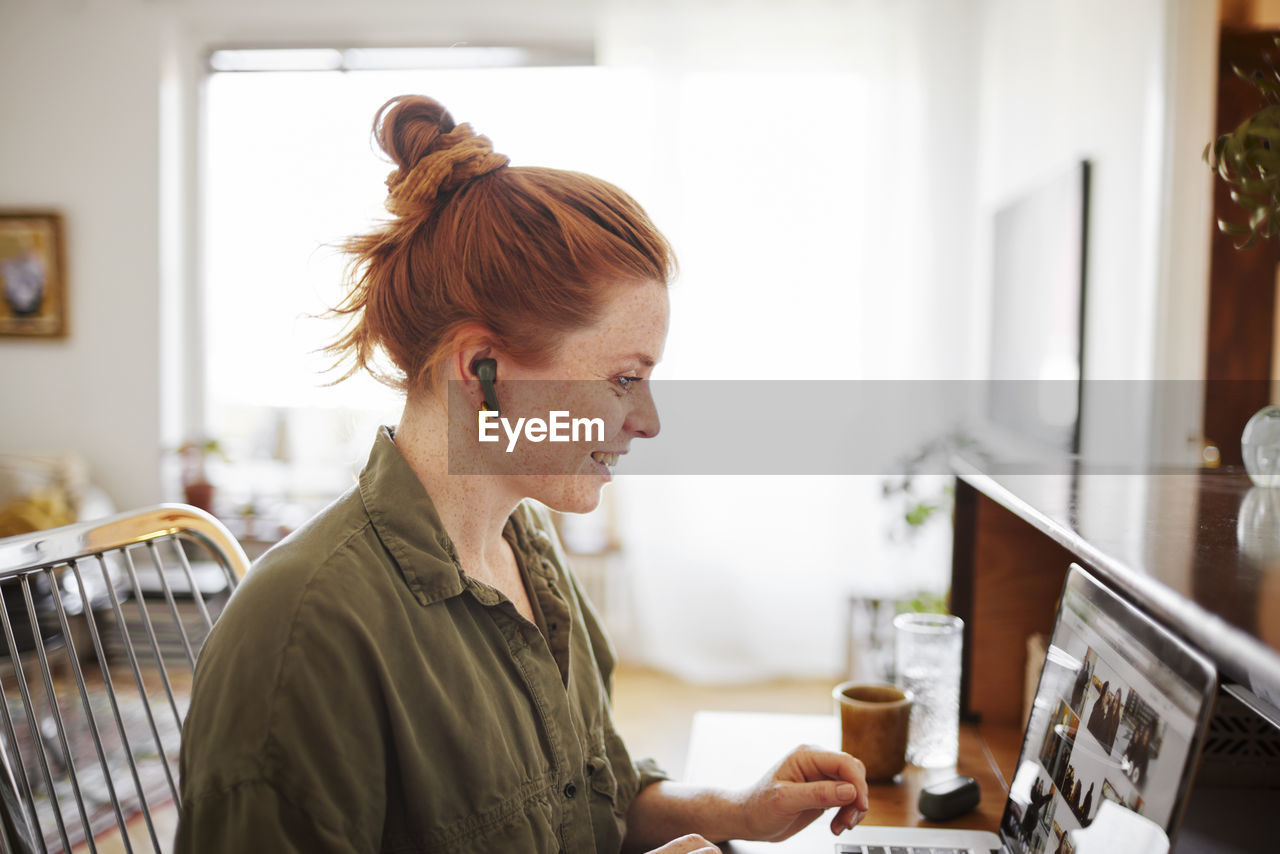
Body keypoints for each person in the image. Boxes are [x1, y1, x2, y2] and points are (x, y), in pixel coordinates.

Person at [175, 94, 870, 853]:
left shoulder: (529, 547)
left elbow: (594, 798)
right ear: (484, 369)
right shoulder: (305, 632)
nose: (648, 421)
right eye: (623, 379)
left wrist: (734, 809)